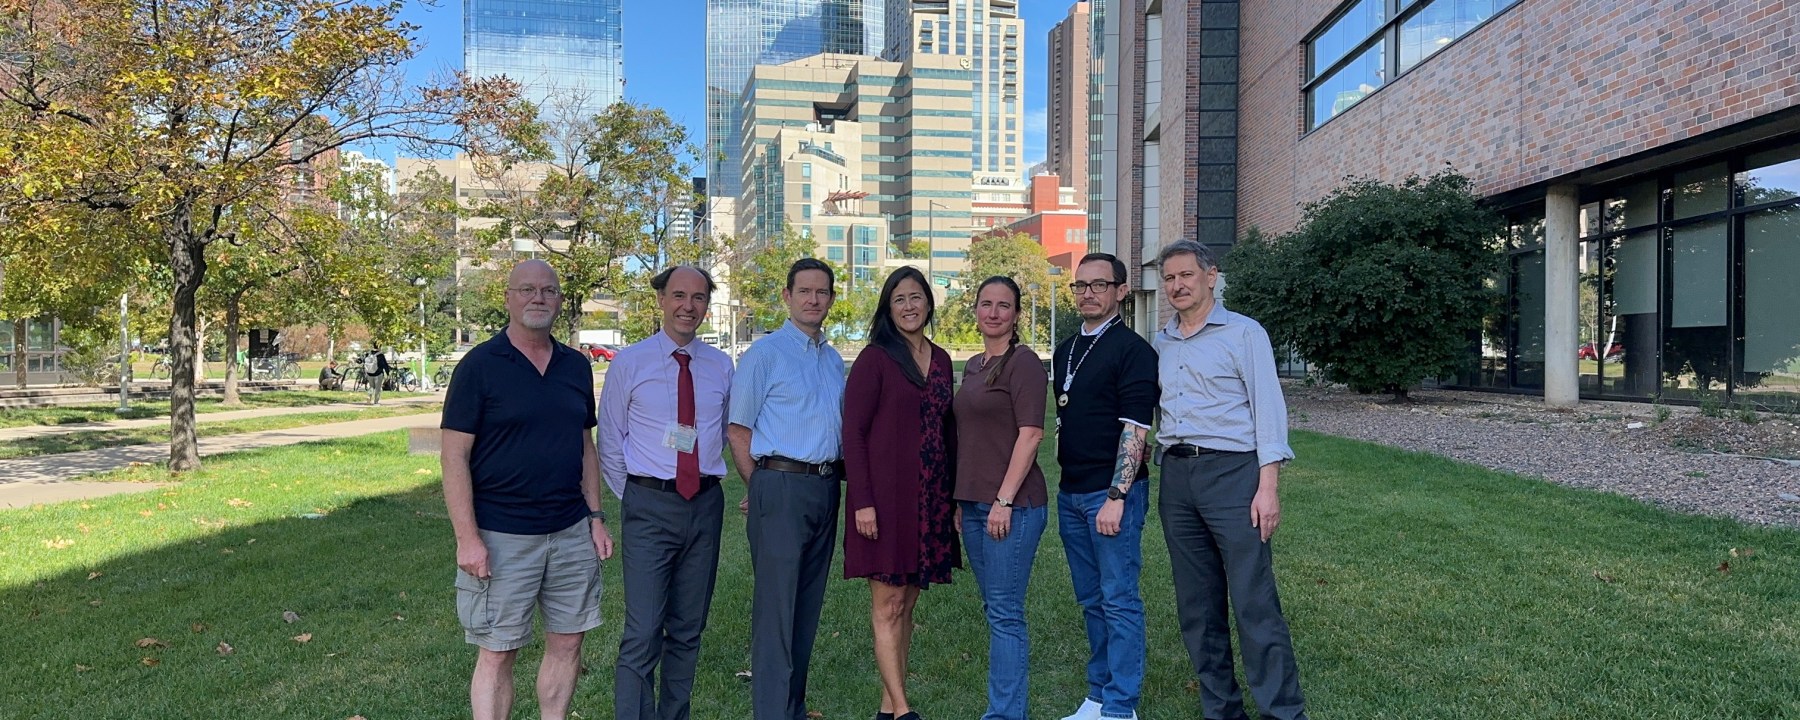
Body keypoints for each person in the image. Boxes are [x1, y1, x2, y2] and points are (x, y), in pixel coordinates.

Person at [439, 259, 615, 720]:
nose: (538, 298)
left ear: (560, 299)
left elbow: (584, 446)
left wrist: (596, 518)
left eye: (548, 290)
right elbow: (453, 457)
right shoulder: (478, 367)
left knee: (569, 641)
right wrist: (467, 539)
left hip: (571, 532)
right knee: (498, 651)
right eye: (527, 289)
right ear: (509, 298)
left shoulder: (576, 367)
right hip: (502, 537)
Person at [1153, 240, 1309, 720]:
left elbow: (1269, 412)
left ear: (1211, 276)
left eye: (1186, 275)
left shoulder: (1245, 334)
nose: (1178, 285)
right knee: (1197, 607)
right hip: (1176, 478)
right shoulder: (1162, 341)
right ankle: (1221, 709)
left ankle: (1282, 712)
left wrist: (1268, 487)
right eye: (1170, 278)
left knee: (1252, 599)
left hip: (1233, 475)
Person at [599, 266, 734, 720]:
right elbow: (610, 442)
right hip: (648, 505)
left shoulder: (720, 366)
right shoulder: (629, 363)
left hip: (705, 507)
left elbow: (729, 432)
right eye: (679, 296)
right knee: (642, 631)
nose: (688, 307)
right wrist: (638, 496)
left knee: (688, 629)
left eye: (698, 298)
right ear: (660, 300)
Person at [727, 258, 847, 720]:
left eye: (822, 292)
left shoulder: (833, 359)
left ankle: (793, 708)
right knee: (777, 613)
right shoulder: (765, 354)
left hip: (825, 487)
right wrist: (760, 489)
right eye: (805, 291)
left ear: (831, 299)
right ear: (787, 296)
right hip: (779, 485)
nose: (813, 299)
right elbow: (738, 430)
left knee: (806, 607)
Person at [842, 265, 959, 720]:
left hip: (929, 500)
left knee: (907, 603)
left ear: (928, 302)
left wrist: (949, 501)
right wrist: (863, 502)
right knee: (888, 603)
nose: (909, 306)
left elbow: (949, 433)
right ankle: (905, 711)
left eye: (916, 297)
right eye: (899, 300)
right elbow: (853, 433)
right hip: (884, 502)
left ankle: (888, 708)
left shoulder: (944, 360)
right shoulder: (875, 359)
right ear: (887, 310)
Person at [1052, 253, 1159, 720]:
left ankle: (1121, 705)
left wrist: (1117, 497)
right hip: (1071, 493)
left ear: (1121, 290)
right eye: (1080, 286)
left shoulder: (1135, 351)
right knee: (1091, 599)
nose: (1088, 293)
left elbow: (1136, 430)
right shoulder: (1065, 348)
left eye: (1099, 285)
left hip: (1111, 495)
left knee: (1118, 599)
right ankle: (1097, 695)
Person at [953, 276, 1049, 720]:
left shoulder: (1024, 363)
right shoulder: (973, 366)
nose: (993, 313)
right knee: (996, 606)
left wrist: (1003, 501)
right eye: (986, 304)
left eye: (1003, 306)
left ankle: (1006, 714)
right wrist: (961, 500)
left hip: (1013, 506)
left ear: (1015, 315)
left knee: (1006, 611)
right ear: (975, 309)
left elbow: (1030, 436)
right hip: (972, 506)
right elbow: (970, 438)